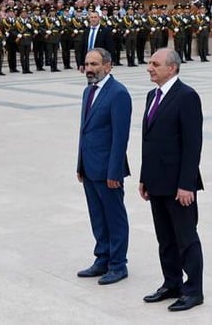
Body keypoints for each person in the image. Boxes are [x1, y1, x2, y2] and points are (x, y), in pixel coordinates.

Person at [139, 48, 204, 312]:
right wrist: (144, 177)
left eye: (155, 63)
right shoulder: (151, 96)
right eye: (149, 63)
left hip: (179, 185)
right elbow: (149, 141)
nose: (149, 68)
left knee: (186, 238)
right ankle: (172, 283)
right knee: (165, 237)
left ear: (172, 68)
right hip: (156, 182)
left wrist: (186, 184)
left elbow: (192, 145)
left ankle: (193, 291)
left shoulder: (187, 97)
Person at [76, 48, 132, 286]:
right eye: (87, 64)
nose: (89, 69)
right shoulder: (88, 91)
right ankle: (102, 258)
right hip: (89, 168)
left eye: (95, 64)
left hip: (108, 170)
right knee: (97, 216)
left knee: (114, 217)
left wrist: (114, 172)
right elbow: (84, 131)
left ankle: (118, 264)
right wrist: (80, 164)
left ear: (108, 66)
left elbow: (121, 137)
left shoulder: (118, 93)